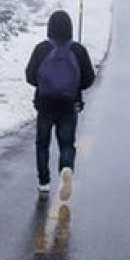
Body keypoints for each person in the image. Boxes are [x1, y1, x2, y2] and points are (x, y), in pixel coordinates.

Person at [25, 10, 95, 200]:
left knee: (42, 144)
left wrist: (44, 83)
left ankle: (44, 182)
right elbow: (89, 79)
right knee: (66, 143)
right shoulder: (78, 50)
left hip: (45, 104)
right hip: (68, 105)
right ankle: (66, 168)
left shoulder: (42, 49)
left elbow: (30, 76)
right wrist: (74, 86)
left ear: (49, 27)